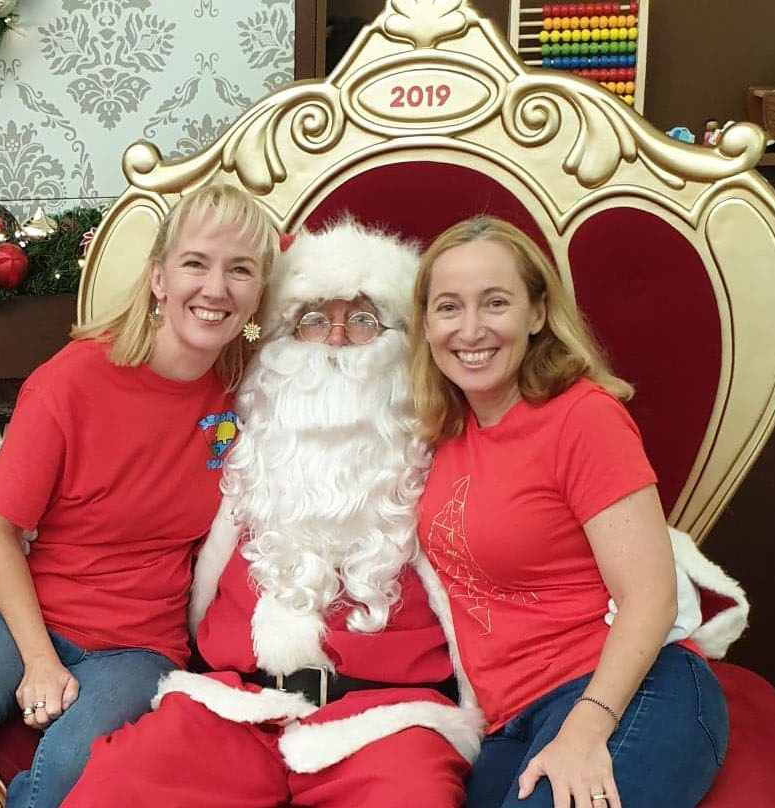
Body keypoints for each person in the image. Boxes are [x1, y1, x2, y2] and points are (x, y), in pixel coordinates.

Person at [0, 183, 278, 808]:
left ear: (258, 293)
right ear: (159, 280)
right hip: (13, 612)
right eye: (196, 263)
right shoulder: (71, 381)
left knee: (68, 772)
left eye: (240, 270)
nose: (216, 288)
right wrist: (39, 661)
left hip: (138, 642)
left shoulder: (253, 394)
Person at [60, 220, 485, 808]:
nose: (336, 341)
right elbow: (125, 471)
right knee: (117, 787)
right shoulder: (242, 445)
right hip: (234, 706)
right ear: (280, 339)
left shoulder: (440, 455)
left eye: (362, 320)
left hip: (389, 719)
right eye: (313, 320)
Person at [410, 216, 739, 808]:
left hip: (629, 692)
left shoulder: (581, 416)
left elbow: (651, 597)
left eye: (495, 303)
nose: (471, 329)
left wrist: (586, 729)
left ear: (537, 313)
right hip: (510, 720)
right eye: (448, 307)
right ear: (426, 325)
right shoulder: (441, 432)